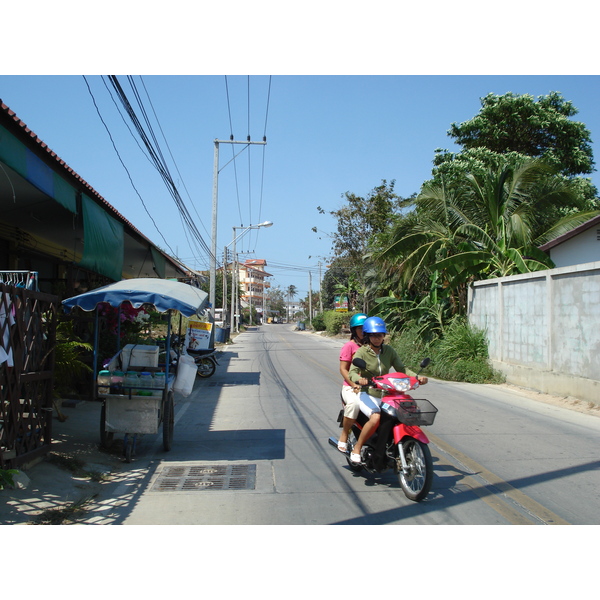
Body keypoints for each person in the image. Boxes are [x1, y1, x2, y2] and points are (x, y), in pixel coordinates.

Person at [348, 316, 428, 464]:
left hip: (388, 394)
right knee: (376, 417)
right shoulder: (362, 352)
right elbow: (352, 372)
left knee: (406, 413)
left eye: (379, 335)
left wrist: (417, 377)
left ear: (384, 335)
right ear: (367, 336)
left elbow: (402, 369)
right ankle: (357, 448)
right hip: (369, 393)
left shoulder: (389, 351)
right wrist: (360, 379)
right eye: (373, 335)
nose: (377, 339)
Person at [337, 313, 368, 452]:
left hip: (372, 386)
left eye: (365, 328)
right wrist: (354, 384)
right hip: (352, 386)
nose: (362, 331)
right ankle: (344, 434)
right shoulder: (349, 346)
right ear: (354, 330)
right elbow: (343, 369)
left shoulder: (374, 345)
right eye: (359, 328)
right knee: (354, 404)